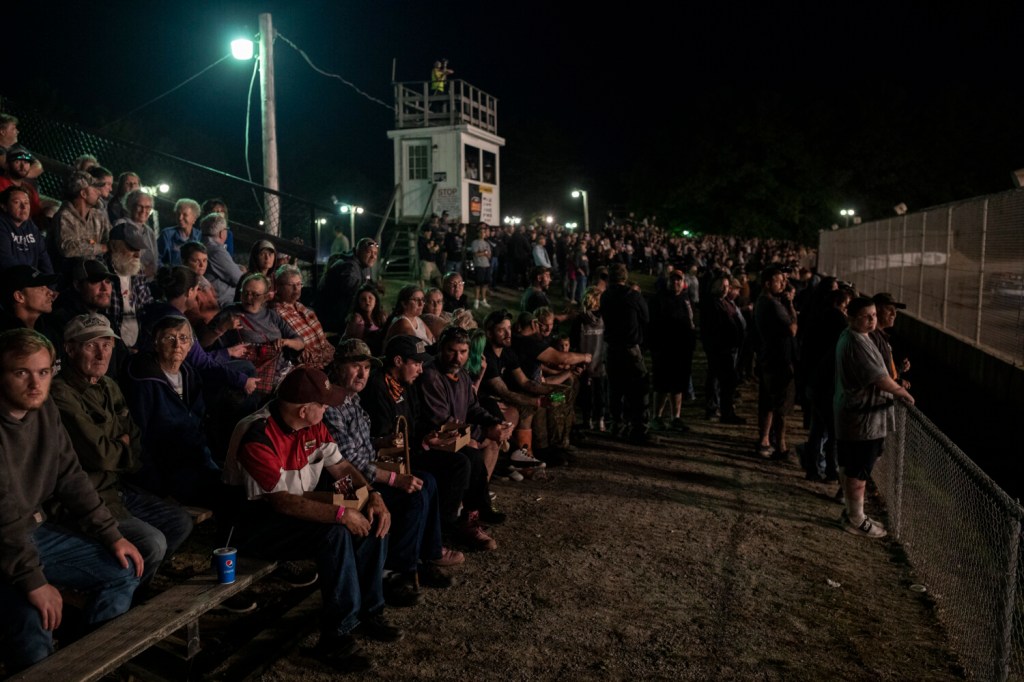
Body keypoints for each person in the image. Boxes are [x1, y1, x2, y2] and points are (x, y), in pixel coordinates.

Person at [223, 366, 400, 674]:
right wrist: (341, 513)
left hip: (295, 510)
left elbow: (341, 467)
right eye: (323, 404)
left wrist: (371, 495)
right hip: (255, 526)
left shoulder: (311, 426)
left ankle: (371, 611)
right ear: (305, 410)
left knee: (369, 516)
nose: (328, 408)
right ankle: (337, 636)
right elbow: (280, 502)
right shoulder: (257, 433)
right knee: (334, 533)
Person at [0, 329, 143, 673]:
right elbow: (2, 516)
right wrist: (34, 581)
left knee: (122, 571)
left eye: (44, 372)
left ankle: (88, 666)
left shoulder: (44, 409)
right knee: (35, 616)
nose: (36, 383)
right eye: (22, 372)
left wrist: (112, 535)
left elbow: (70, 476)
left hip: (34, 531)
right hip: (5, 542)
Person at [51, 314, 193, 586]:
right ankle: (126, 593)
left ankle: (137, 582)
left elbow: (135, 439)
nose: (101, 353)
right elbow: (101, 454)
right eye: (90, 345)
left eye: (107, 344)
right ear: (69, 349)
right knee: (154, 541)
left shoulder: (108, 385)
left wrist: (121, 448)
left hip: (118, 487)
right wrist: (121, 446)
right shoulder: (61, 393)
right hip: (89, 498)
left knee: (179, 522)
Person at [323, 338, 457, 605]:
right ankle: (395, 572)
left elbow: (361, 448)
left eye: (366, 368)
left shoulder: (352, 398)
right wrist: (394, 478)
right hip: (341, 482)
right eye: (355, 367)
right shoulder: (331, 403)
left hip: (362, 471)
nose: (362, 374)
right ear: (338, 367)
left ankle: (423, 557)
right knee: (413, 494)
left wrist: (379, 443)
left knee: (426, 482)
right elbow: (346, 461)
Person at [416, 326, 512, 551]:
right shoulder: (432, 376)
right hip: (432, 442)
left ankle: (473, 515)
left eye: (463, 351)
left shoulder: (463, 375)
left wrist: (493, 423)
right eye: (451, 350)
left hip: (454, 438)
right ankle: (446, 526)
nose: (457, 357)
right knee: (466, 460)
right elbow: (442, 420)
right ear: (441, 349)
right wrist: (484, 432)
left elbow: (473, 408)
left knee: (473, 456)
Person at [834, 297, 915, 538]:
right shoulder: (857, 342)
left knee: (852, 466)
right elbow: (879, 377)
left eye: (874, 316)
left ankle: (851, 512)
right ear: (852, 317)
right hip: (862, 419)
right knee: (859, 469)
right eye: (867, 316)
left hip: (856, 415)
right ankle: (856, 518)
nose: (872, 320)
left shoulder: (857, 337)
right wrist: (902, 391)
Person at [124, 315, 222, 506]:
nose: (177, 344)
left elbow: (198, 421)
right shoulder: (143, 381)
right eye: (169, 338)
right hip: (166, 470)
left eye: (183, 338)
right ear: (156, 343)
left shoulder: (189, 374)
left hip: (195, 459)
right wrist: (157, 488)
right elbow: (139, 439)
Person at [217, 273, 304, 395]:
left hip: (280, 372)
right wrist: (221, 328)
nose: (248, 298)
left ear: (265, 297)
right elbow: (204, 343)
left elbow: (300, 343)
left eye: (255, 294)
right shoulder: (230, 312)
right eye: (245, 293)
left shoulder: (272, 315)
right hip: (252, 377)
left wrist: (286, 342)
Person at [601, 263, 653, 443]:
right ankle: (639, 426)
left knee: (615, 388)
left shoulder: (605, 296)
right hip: (630, 348)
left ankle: (617, 423)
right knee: (639, 387)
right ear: (625, 277)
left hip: (612, 347)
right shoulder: (634, 296)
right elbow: (646, 318)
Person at [753, 266, 798, 459]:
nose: (782, 284)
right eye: (779, 281)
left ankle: (764, 439)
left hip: (768, 357)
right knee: (780, 405)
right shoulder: (773, 304)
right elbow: (792, 329)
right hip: (779, 360)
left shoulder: (763, 302)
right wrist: (791, 305)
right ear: (767, 283)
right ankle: (780, 445)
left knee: (768, 402)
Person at [649, 269, 696, 432]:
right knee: (661, 384)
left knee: (678, 384)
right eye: (673, 279)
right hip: (664, 349)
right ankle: (657, 416)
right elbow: (653, 324)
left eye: (679, 279)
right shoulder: (659, 299)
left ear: (683, 282)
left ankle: (676, 417)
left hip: (681, 350)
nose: (675, 282)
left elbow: (690, 322)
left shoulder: (685, 299)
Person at [272, 264, 335, 369]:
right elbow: (296, 353)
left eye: (299, 284)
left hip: (328, 359)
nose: (296, 288)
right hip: (310, 368)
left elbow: (322, 339)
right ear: (278, 287)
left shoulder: (302, 307)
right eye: (291, 285)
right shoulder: (276, 313)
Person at [49, 171, 111, 273]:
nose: (99, 192)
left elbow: (110, 238)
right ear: (83, 194)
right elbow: (67, 248)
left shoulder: (97, 216)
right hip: (66, 276)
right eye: (94, 188)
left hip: (91, 275)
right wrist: (102, 248)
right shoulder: (64, 216)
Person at [315, 238, 379, 335]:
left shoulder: (355, 263)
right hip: (333, 322)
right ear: (358, 251)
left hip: (333, 317)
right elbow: (354, 294)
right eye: (369, 252)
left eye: (375, 253)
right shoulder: (350, 267)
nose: (373, 256)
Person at [105, 223, 153, 349]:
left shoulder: (138, 271)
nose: (137, 255)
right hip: (111, 347)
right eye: (132, 248)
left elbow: (146, 305)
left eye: (139, 249)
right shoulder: (102, 272)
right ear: (114, 246)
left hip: (137, 344)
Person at [0, 185, 52, 273]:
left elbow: (44, 260)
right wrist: (28, 284)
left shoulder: (32, 228)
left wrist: (50, 284)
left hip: (30, 280)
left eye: (26, 203)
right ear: (4, 206)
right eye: (16, 202)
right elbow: (5, 260)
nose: (23, 207)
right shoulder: (2, 226)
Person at [201, 212, 243, 307]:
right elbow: (239, 279)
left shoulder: (203, 245)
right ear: (221, 233)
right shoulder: (216, 251)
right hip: (224, 303)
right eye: (226, 229)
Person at [342, 283, 387, 355]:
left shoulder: (380, 316)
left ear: (376, 300)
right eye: (363, 299)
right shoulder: (357, 318)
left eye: (370, 298)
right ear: (358, 302)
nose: (367, 302)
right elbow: (353, 344)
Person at [157, 198, 201, 266]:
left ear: (194, 218)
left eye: (185, 215)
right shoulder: (167, 234)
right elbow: (157, 258)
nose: (180, 218)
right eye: (178, 214)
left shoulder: (200, 236)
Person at [469, 225, 492, 308]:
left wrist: (483, 253)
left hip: (487, 265)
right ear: (478, 233)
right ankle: (476, 300)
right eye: (481, 232)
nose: (483, 234)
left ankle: (483, 300)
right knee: (478, 284)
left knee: (485, 284)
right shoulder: (475, 242)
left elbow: (489, 255)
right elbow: (475, 254)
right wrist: (483, 253)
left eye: (484, 232)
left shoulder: (487, 243)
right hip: (479, 265)